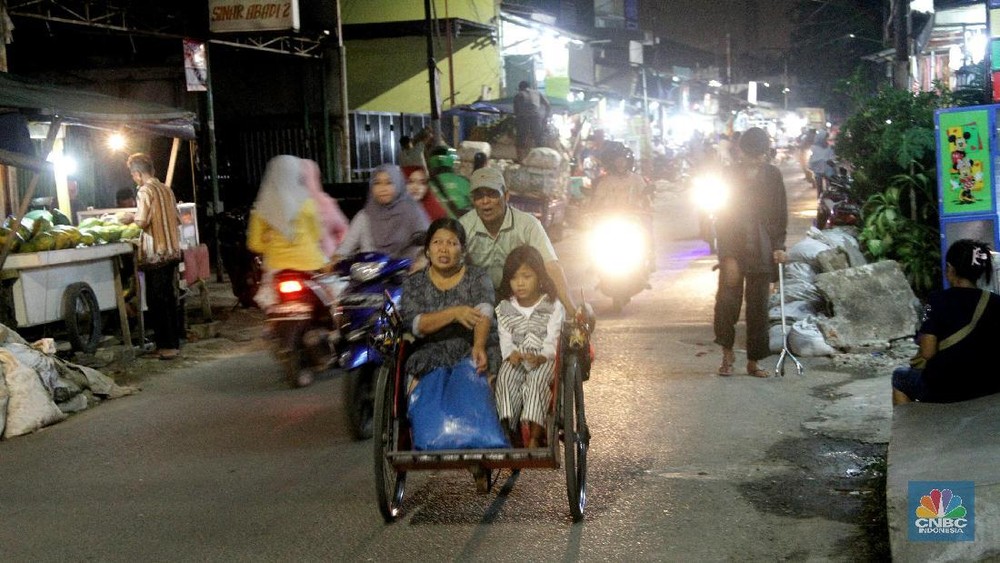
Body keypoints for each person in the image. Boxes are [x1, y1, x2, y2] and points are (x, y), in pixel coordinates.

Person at [400, 217, 502, 490]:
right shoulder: (414, 284)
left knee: (477, 380)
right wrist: (454, 313)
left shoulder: (477, 278)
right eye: (437, 243)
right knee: (421, 384)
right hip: (429, 351)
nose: (443, 250)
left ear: (463, 250)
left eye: (451, 243)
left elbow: (485, 312)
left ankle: (477, 453)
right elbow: (415, 324)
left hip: (472, 347)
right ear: (427, 250)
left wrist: (478, 346)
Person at [713, 127, 788, 378]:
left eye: (760, 155)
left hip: (762, 249)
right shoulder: (728, 175)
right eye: (751, 154)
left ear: (765, 154)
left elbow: (780, 214)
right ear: (741, 152)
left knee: (758, 309)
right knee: (727, 304)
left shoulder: (772, 175)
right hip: (734, 248)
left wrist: (779, 246)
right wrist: (726, 256)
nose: (755, 160)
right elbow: (721, 218)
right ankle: (727, 353)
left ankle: (754, 360)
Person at [892, 240, 1000, 405]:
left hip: (944, 388)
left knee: (899, 377)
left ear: (950, 268)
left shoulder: (936, 300)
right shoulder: (995, 301)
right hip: (989, 386)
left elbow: (927, 352)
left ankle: (909, 429)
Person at [459, 166, 576, 313]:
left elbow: (551, 266)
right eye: (479, 196)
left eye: (492, 194)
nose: (485, 201)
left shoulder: (528, 224)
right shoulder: (463, 227)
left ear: (506, 196)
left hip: (519, 299)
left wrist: (572, 310)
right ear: (473, 200)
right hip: (479, 300)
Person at [494, 245, 565, 448]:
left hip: (544, 359)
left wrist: (542, 356)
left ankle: (535, 436)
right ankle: (509, 428)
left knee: (536, 382)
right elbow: (504, 337)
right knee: (506, 377)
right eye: (515, 278)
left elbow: (553, 338)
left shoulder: (552, 305)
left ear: (539, 277)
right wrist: (510, 354)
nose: (520, 283)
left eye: (526, 276)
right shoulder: (505, 307)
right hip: (517, 356)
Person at [246, 155, 334, 308]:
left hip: (276, 266)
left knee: (271, 308)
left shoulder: (260, 209)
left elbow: (254, 245)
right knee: (333, 296)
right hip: (310, 263)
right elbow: (316, 235)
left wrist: (270, 240)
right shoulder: (308, 204)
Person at [126, 152, 183, 360]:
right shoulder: (167, 190)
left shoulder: (144, 191)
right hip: (172, 251)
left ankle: (166, 346)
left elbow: (140, 221)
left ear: (138, 174)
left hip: (155, 254)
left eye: (133, 176)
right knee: (169, 298)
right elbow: (177, 219)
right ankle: (174, 343)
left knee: (157, 300)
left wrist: (128, 217)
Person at [334, 163, 430, 266]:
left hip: (407, 275)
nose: (382, 188)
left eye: (389, 183)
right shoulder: (365, 216)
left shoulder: (413, 212)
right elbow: (345, 249)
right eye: (377, 183)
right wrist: (335, 260)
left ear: (398, 184)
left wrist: (420, 262)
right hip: (369, 276)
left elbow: (429, 245)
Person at [427, 147, 472, 218]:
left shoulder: (426, 185)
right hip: (460, 226)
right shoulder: (462, 181)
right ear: (450, 160)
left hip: (435, 226)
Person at [513, 80, 551, 161]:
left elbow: (516, 111)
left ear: (520, 88)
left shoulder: (519, 95)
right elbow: (548, 104)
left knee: (521, 139)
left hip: (524, 118)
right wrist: (545, 117)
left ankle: (521, 160)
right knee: (539, 139)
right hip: (536, 118)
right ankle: (542, 159)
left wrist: (517, 123)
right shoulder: (537, 93)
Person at [807, 129, 835, 197]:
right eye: (825, 137)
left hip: (828, 170)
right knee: (819, 188)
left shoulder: (828, 147)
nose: (826, 139)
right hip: (817, 171)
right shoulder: (813, 148)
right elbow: (811, 159)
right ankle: (820, 201)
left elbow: (832, 157)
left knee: (830, 188)